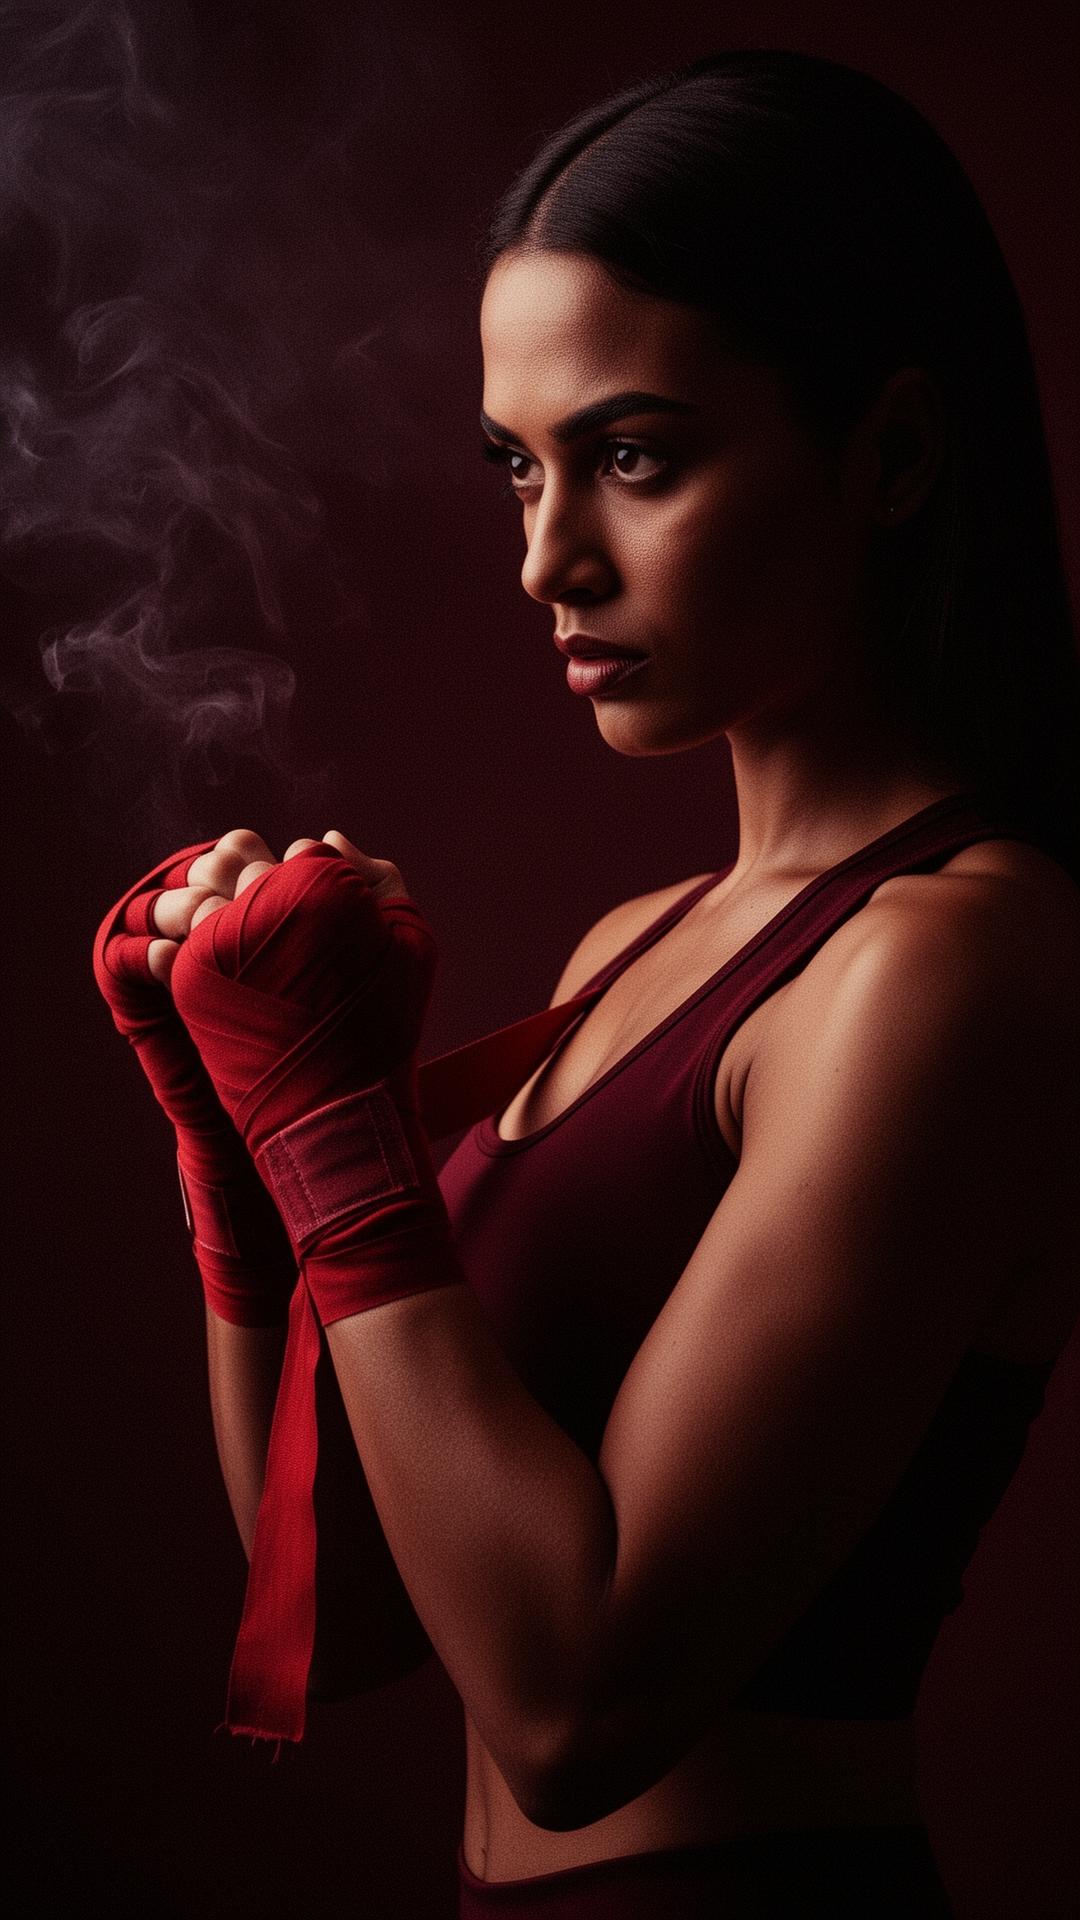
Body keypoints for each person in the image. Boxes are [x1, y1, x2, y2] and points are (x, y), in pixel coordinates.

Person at [93, 47, 1080, 1919]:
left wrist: (329, 1130)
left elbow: (571, 1706)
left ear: (889, 457)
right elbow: (357, 1608)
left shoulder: (948, 962)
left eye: (634, 457)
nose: (549, 558)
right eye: (520, 468)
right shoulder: (631, 945)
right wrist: (241, 1168)